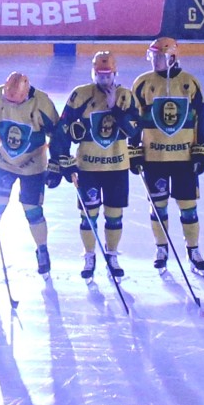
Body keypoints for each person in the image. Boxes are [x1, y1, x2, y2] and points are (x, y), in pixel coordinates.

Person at [60, 50, 142, 281]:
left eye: (108, 75)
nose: (104, 79)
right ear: (93, 73)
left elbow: (134, 130)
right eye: (100, 75)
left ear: (115, 74)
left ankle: (112, 255)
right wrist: (64, 160)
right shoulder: (80, 94)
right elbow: (63, 127)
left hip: (117, 168)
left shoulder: (125, 96)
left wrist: (115, 108)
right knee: (88, 216)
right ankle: (89, 256)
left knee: (114, 216)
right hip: (88, 168)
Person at [131, 36, 204, 274]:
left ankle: (193, 250)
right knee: (158, 207)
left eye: (159, 56)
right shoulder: (142, 83)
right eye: (152, 56)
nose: (154, 60)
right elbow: (134, 121)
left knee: (188, 207)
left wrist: (201, 151)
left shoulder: (190, 83)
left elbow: (200, 120)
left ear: (173, 57)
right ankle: (161, 249)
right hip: (154, 159)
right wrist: (133, 150)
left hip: (184, 159)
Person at [0, 69, 67, 276]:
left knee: (33, 210)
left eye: (15, 101)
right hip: (3, 161)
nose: (10, 105)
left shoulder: (42, 103)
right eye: (8, 100)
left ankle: (42, 249)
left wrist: (56, 162)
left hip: (33, 166)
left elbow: (57, 133)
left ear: (25, 94)